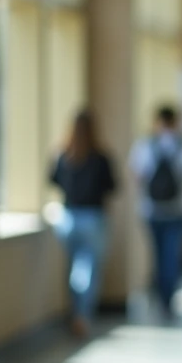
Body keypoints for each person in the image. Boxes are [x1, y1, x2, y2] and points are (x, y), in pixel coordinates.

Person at [49, 110, 118, 339]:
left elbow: (52, 180)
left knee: (75, 266)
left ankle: (76, 311)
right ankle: (82, 315)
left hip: (68, 219)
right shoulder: (100, 157)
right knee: (87, 268)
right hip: (92, 218)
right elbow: (112, 186)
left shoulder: (63, 154)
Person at [129, 105, 182, 319]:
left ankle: (160, 296)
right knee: (172, 256)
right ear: (175, 121)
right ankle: (168, 299)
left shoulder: (145, 146)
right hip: (178, 210)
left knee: (158, 256)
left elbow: (137, 177)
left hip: (152, 210)